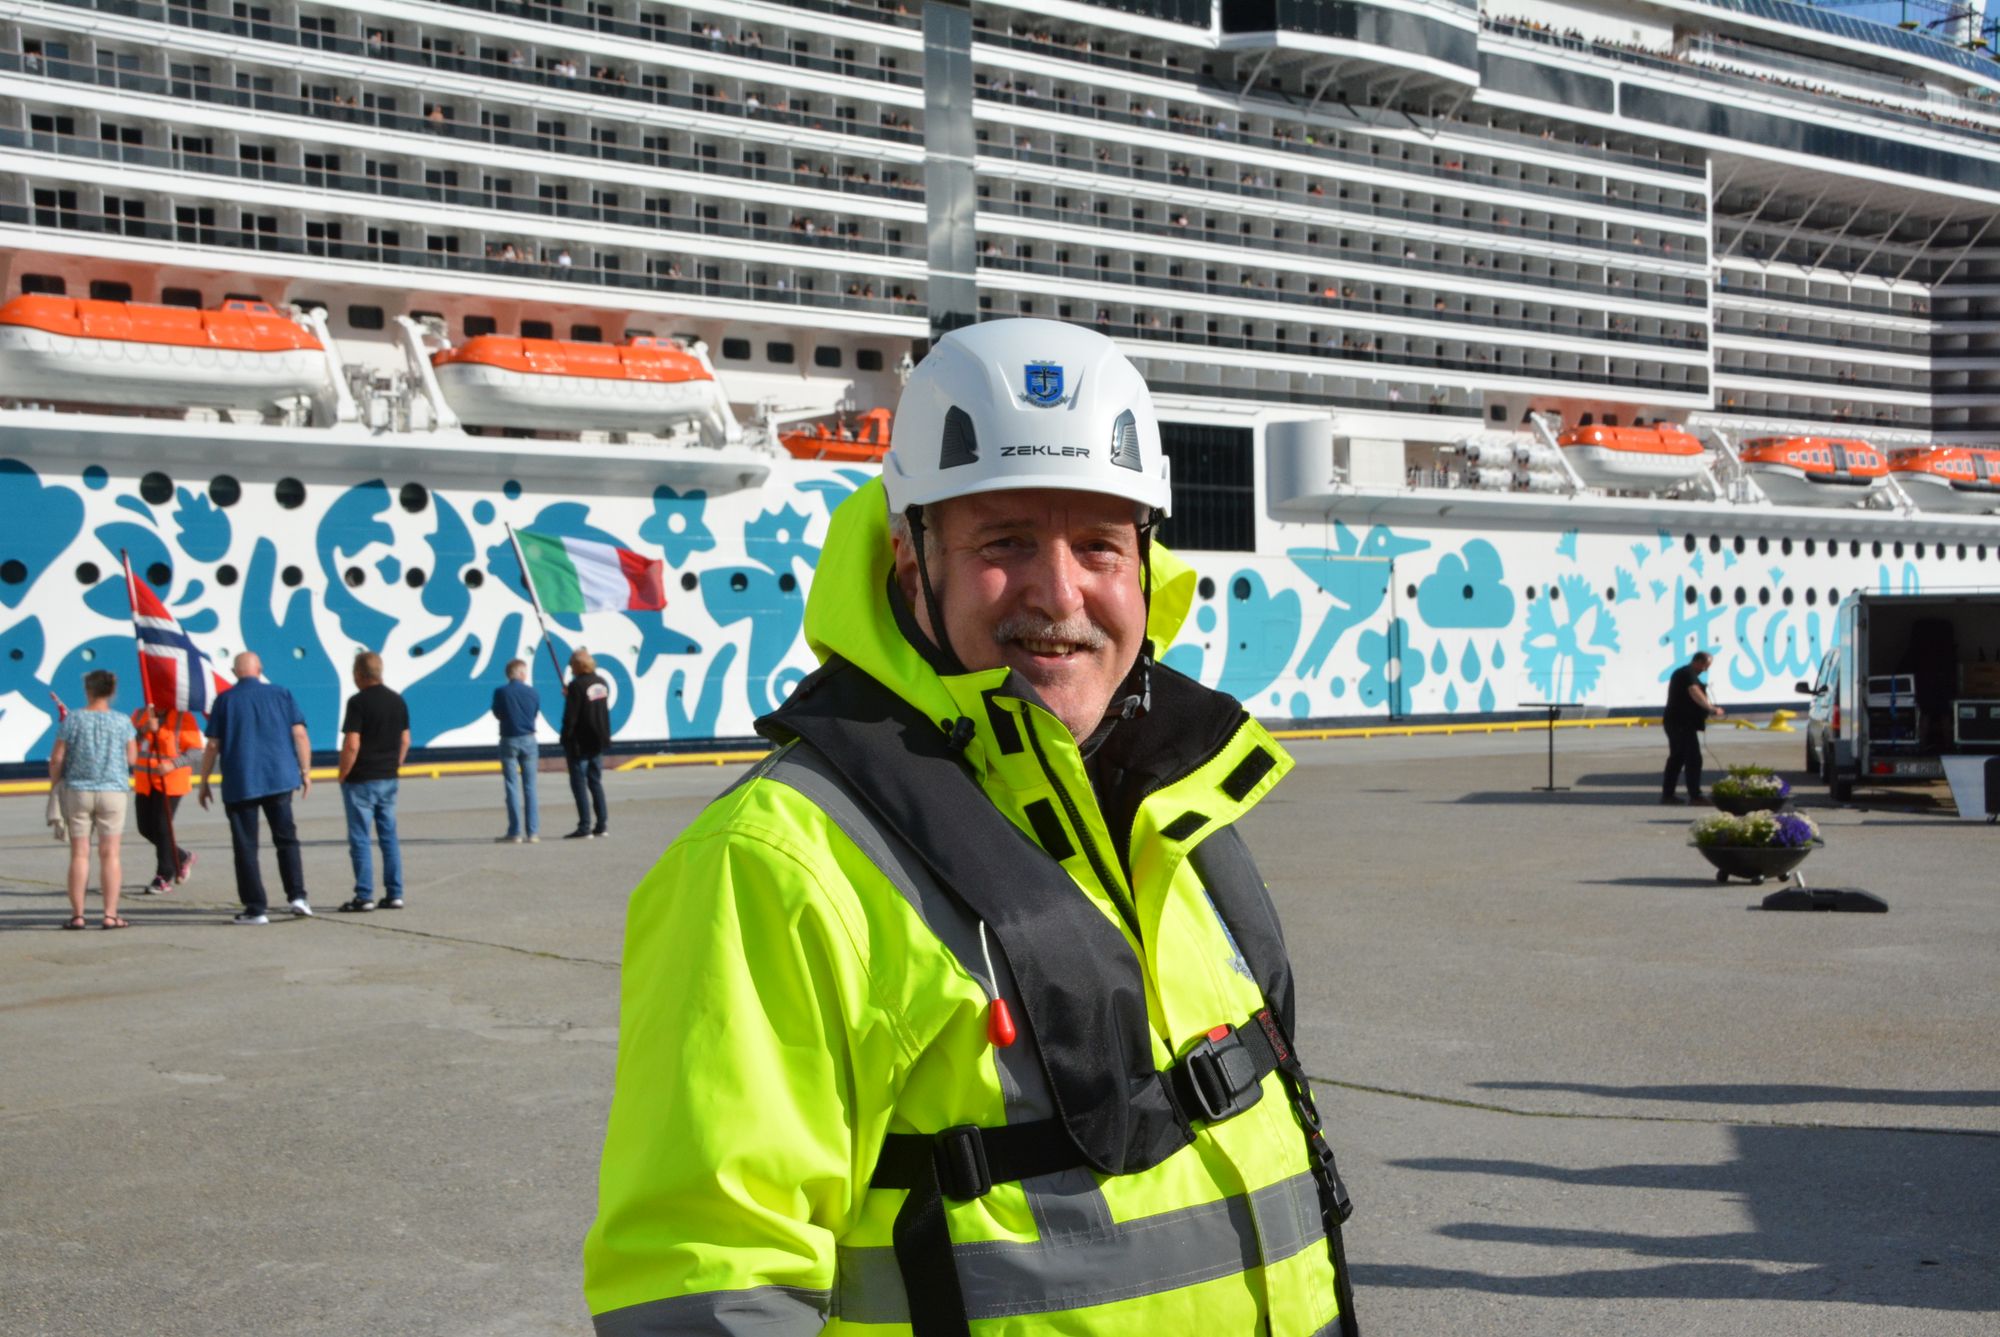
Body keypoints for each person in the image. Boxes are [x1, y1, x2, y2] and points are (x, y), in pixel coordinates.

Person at [585, 320, 1357, 1336]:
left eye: (1097, 545)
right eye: (1004, 543)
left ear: (1143, 567)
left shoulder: (1178, 813)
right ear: (912, 561)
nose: (1058, 591)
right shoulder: (777, 860)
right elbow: (703, 1288)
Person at [199, 652, 313, 924]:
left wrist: (203, 782)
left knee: (246, 846)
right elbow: (299, 734)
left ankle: (256, 908)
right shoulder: (281, 693)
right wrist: (306, 772)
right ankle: (298, 897)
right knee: (286, 839)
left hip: (241, 781)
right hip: (279, 778)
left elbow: (213, 745)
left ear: (234, 671)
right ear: (259, 669)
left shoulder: (225, 700)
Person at [49, 670, 137, 929]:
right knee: (110, 854)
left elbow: (57, 758)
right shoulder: (123, 722)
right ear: (112, 691)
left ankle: (78, 915)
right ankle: (110, 914)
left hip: (79, 791)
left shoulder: (73, 720)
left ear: (87, 690)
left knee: (79, 853)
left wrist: (55, 784)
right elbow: (132, 759)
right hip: (113, 791)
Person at [336, 652, 410, 912]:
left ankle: (364, 895)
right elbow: (405, 740)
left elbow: (352, 743)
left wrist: (343, 773)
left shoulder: (357, 702)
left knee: (360, 838)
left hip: (362, 780)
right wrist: (394, 765)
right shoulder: (397, 701)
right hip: (388, 778)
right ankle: (395, 893)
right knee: (389, 836)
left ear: (359, 674)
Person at [131, 699, 203, 894]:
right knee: (145, 828)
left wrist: (174, 764)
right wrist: (143, 729)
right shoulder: (139, 715)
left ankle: (164, 875)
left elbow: (196, 751)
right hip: (145, 780)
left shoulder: (182, 717)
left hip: (170, 781)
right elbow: (129, 744)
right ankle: (181, 856)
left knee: (163, 827)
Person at [560, 648, 611, 839]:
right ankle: (602, 823)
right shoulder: (601, 683)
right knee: (595, 782)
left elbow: (571, 716)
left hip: (580, 742)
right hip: (598, 739)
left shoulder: (576, 686)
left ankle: (585, 825)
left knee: (579, 784)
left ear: (577, 665)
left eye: (572, 665)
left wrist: (565, 737)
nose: (571, 668)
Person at [1662, 650, 1724, 804]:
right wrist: (1710, 708)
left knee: (1677, 758)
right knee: (1693, 759)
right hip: (1680, 723)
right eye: (1705, 666)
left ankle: (1668, 795)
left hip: (1677, 722)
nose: (1706, 669)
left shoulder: (1687, 674)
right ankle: (1695, 796)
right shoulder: (1686, 673)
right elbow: (1694, 691)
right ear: (1698, 661)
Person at [492, 658, 542, 843]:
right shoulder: (532, 692)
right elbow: (535, 713)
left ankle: (515, 831)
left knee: (512, 785)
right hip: (529, 738)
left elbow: (497, 713)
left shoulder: (501, 692)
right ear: (521, 673)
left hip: (509, 738)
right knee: (530, 787)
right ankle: (533, 831)